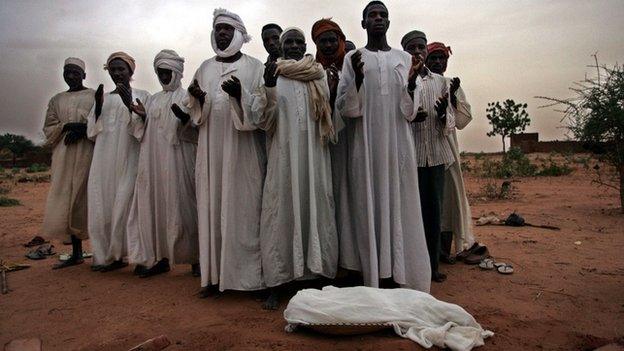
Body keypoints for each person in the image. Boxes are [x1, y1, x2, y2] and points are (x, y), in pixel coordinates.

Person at [335, 1, 431, 292]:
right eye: (372, 15)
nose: (378, 19)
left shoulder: (403, 58)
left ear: (389, 22)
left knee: (399, 201)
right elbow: (346, 108)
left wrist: (412, 83)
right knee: (368, 201)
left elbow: (409, 111)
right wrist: (359, 79)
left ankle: (399, 272)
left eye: (383, 15)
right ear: (363, 23)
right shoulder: (353, 57)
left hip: (397, 146)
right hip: (365, 145)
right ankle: (372, 273)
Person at [185, 9, 267, 297]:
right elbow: (194, 111)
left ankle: (248, 279)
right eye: (218, 29)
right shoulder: (204, 68)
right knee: (211, 207)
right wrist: (198, 100)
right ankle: (214, 278)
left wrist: (238, 97)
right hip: (210, 151)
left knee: (244, 209)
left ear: (238, 34)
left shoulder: (254, 66)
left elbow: (260, 111)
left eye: (226, 29)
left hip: (243, 152)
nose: (221, 33)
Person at [255, 27, 338, 309]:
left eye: (297, 42)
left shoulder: (317, 74)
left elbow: (326, 114)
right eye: (287, 42)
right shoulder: (273, 74)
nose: (292, 46)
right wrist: (267, 87)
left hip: (314, 155)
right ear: (280, 46)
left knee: (316, 209)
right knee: (281, 213)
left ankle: (317, 275)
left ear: (305, 46)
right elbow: (263, 121)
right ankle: (278, 282)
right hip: (284, 157)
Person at [126, 49, 199, 278]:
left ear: (177, 72)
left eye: (168, 72)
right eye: (160, 72)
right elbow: (144, 132)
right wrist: (143, 116)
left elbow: (197, 129)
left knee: (185, 206)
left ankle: (196, 259)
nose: (164, 77)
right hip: (155, 162)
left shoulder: (188, 97)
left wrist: (185, 119)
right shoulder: (153, 99)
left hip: (180, 161)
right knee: (157, 207)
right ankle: (162, 258)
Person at [87, 52, 150, 272]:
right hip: (104, 160)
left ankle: (137, 256)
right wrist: (96, 107)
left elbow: (143, 131)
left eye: (121, 69)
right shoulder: (102, 98)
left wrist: (129, 105)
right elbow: (92, 133)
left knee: (128, 205)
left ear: (131, 71)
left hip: (129, 158)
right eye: (112, 69)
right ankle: (109, 257)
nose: (116, 73)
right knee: (102, 205)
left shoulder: (142, 95)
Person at [401, 30, 455, 282]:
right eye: (411, 48)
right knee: (411, 214)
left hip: (435, 157)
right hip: (409, 156)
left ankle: (432, 266)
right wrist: (412, 117)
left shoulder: (441, 82)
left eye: (421, 47)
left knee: (434, 213)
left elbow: (451, 121)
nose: (417, 52)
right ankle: (412, 266)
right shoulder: (401, 78)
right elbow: (397, 114)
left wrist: (444, 114)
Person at [425, 42, 477, 260]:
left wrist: (453, 97)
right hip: (426, 148)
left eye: (442, 58)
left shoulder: (450, 84)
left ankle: (444, 251)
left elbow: (463, 121)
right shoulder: (421, 82)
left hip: (449, 149)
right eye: (434, 58)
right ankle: (430, 252)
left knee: (450, 199)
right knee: (429, 199)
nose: (438, 62)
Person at [42, 58, 94, 269]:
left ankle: (104, 250)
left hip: (87, 154)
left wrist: (81, 130)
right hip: (64, 156)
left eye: (75, 72)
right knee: (67, 199)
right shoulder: (56, 100)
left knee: (87, 199)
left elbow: (99, 122)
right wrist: (67, 126)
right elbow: (49, 127)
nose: (71, 76)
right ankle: (76, 252)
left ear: (83, 75)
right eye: (67, 72)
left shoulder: (93, 96)